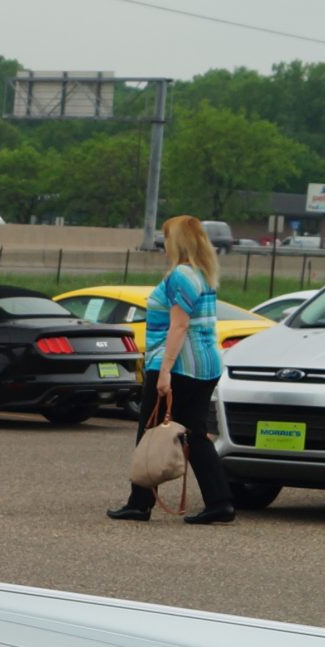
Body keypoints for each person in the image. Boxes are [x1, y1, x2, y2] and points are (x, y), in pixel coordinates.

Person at [108, 214, 234, 525]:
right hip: (207, 364)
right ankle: (221, 502)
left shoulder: (180, 275)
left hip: (178, 364)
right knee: (195, 434)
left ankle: (139, 503)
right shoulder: (203, 274)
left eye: (166, 237)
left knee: (149, 431)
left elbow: (178, 326)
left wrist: (164, 371)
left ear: (177, 242)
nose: (163, 243)